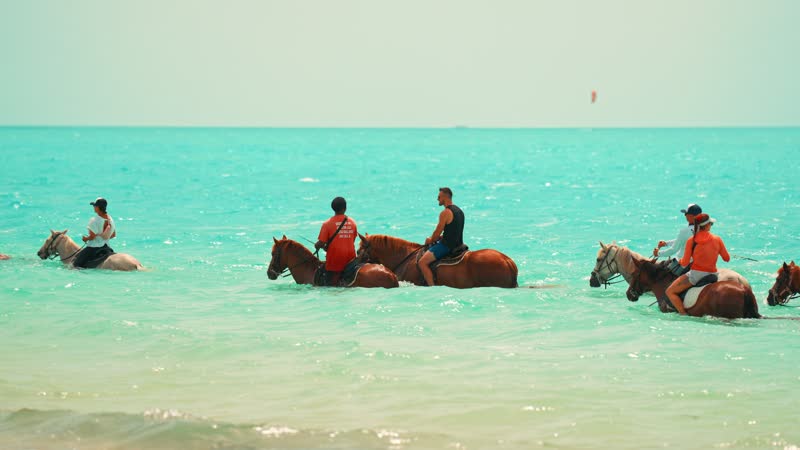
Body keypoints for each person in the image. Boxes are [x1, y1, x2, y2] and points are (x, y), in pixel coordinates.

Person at [665, 213, 730, 314]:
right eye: (711, 224)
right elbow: (726, 258)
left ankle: (683, 314)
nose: (711, 226)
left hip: (696, 275)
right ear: (707, 225)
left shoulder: (691, 240)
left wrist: (680, 260)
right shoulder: (717, 239)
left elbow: (684, 263)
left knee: (670, 291)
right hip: (713, 274)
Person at [419, 187, 465, 286]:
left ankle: (431, 287)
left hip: (447, 247)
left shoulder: (445, 213)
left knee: (422, 263)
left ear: (445, 197)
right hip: (459, 244)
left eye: (439, 197)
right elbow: (454, 231)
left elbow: (436, 234)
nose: (437, 199)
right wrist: (441, 237)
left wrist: (430, 240)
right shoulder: (459, 211)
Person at [315, 197, 358, 286]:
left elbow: (321, 243)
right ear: (345, 208)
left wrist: (317, 245)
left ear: (333, 208)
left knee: (323, 284)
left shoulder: (327, 224)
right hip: (351, 261)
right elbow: (351, 240)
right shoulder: (353, 223)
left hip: (334, 262)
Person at [653, 203, 702, 274]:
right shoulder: (703, 229)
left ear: (691, 216)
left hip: (684, 264)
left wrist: (658, 253)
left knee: (662, 275)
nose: (685, 215)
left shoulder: (685, 231)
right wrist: (666, 243)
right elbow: (683, 240)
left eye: (686, 214)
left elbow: (674, 249)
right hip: (699, 262)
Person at [72, 197, 116, 268]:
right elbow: (113, 235)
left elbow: (92, 237)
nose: (94, 207)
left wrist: (85, 238)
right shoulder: (111, 219)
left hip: (94, 248)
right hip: (107, 247)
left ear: (98, 207)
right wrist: (103, 237)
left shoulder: (94, 220)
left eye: (94, 206)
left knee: (75, 265)